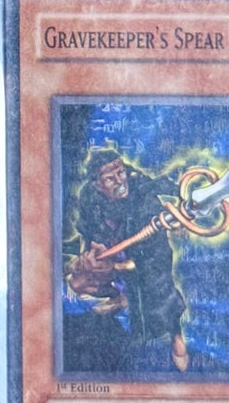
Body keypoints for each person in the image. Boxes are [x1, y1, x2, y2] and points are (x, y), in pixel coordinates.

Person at [66, 146, 190, 373]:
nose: (120, 181)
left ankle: (176, 336)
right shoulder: (90, 197)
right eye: (110, 178)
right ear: (97, 184)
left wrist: (183, 212)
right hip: (113, 248)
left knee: (162, 295)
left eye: (120, 173)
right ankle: (118, 298)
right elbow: (88, 230)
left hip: (150, 254)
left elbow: (167, 187)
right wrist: (90, 255)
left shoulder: (140, 189)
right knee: (86, 281)